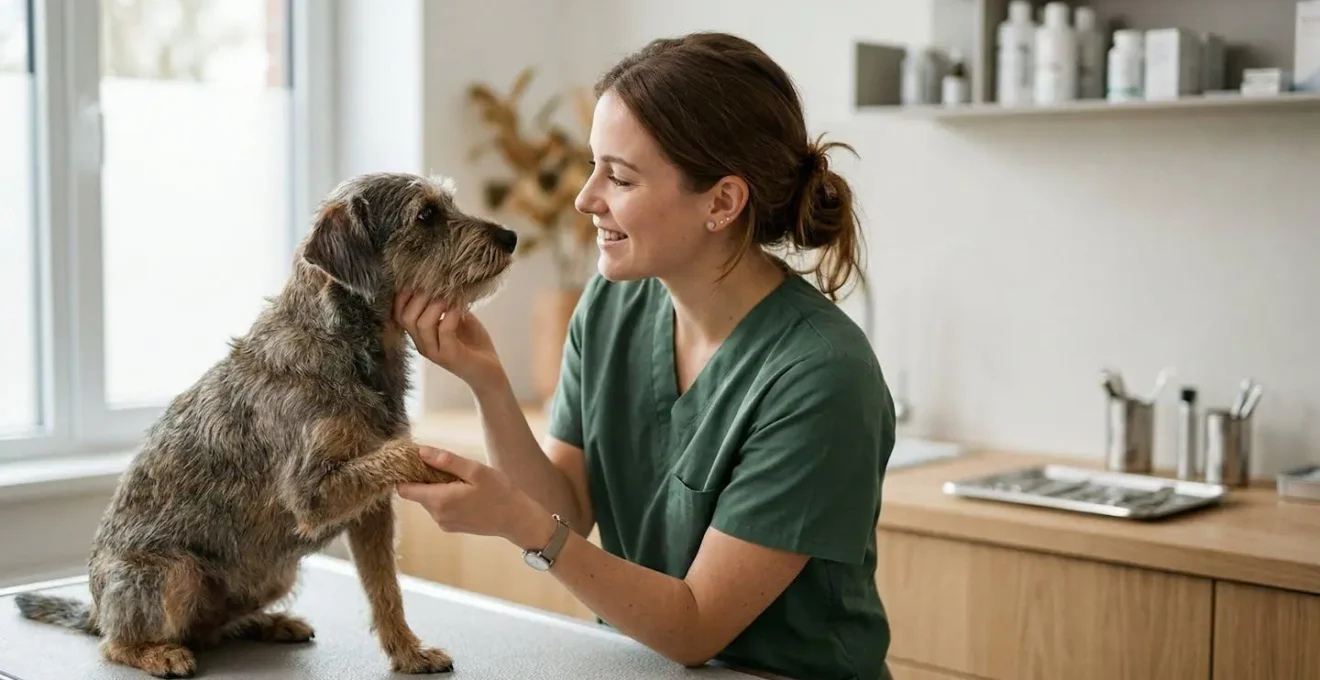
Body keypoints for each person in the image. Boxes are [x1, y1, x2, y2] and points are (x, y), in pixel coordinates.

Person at [393, 31, 896, 680]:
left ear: (722, 202)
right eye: (594, 165)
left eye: (620, 177)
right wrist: (485, 382)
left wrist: (522, 527)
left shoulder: (822, 375)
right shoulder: (611, 305)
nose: (586, 198)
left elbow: (694, 625)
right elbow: (567, 508)